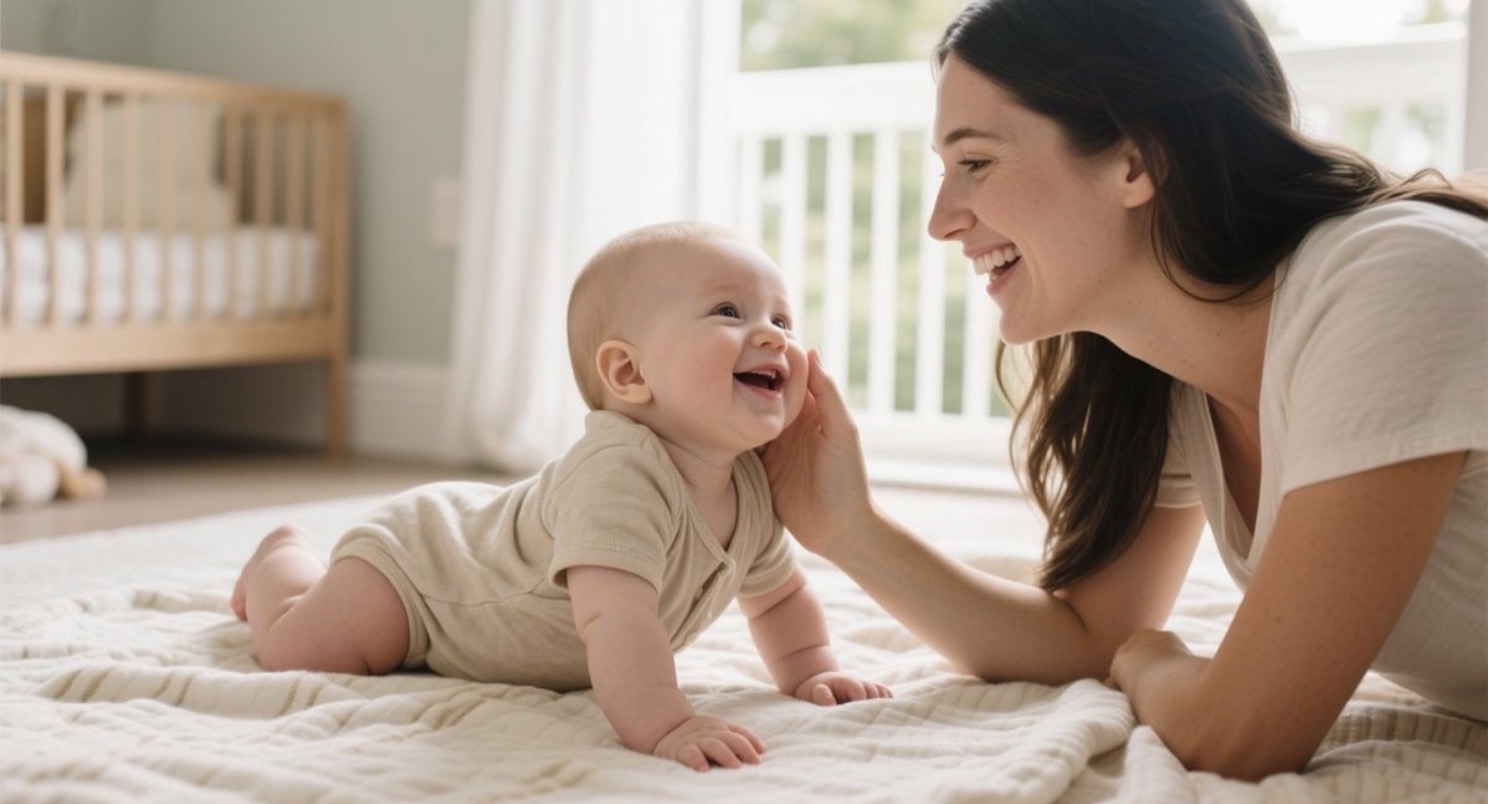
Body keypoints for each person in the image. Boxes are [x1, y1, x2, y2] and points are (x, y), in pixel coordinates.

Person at [761, 0, 1487, 782]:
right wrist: (847, 528)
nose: (941, 221)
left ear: (1136, 163)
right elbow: (1084, 634)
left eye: (975, 162)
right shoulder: (1182, 374)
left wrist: (1152, 659)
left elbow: (1237, 737)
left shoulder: (1392, 282)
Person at [231, 221, 891, 772]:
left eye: (782, 317)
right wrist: (664, 721)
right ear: (629, 373)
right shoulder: (621, 474)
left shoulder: (750, 482)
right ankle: (281, 560)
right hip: (422, 573)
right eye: (729, 312)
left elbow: (778, 596)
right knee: (295, 651)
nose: (775, 334)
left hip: (471, 554)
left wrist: (811, 671)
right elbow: (615, 620)